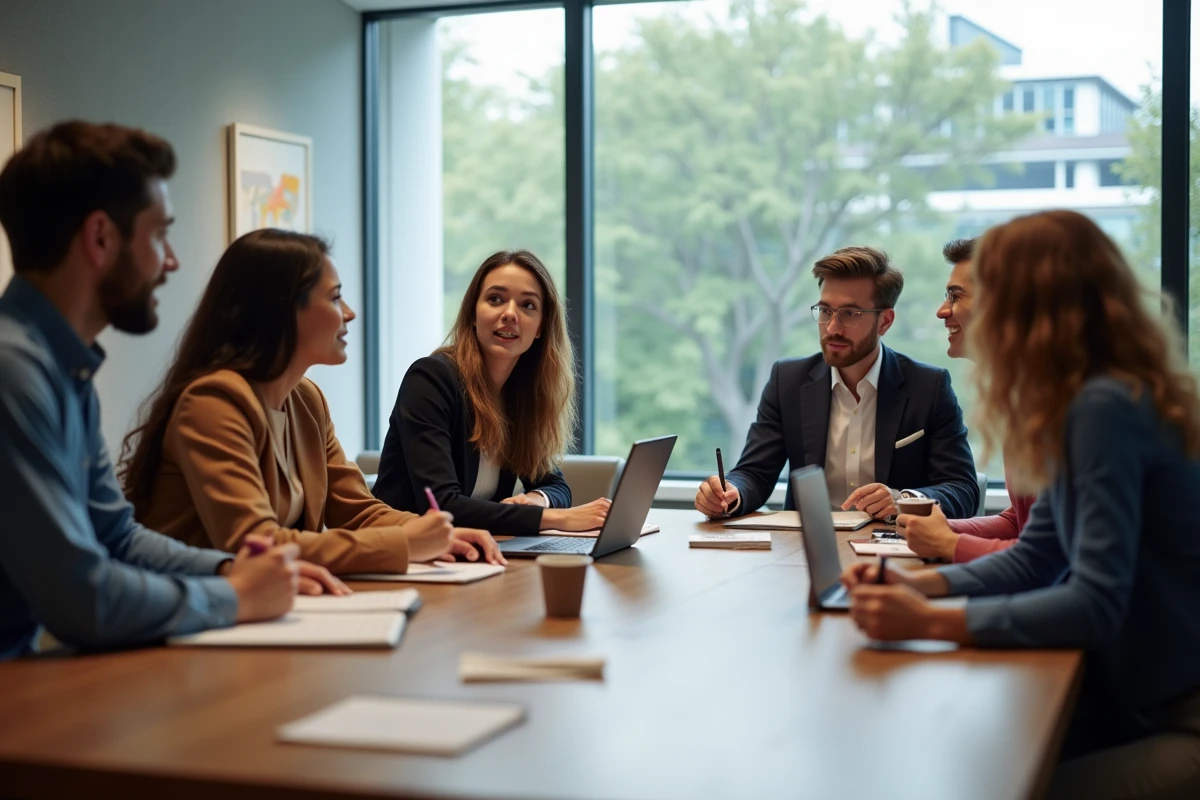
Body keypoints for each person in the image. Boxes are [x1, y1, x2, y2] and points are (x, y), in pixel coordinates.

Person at [842, 210, 1200, 798]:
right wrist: (916, 589)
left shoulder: (1104, 408)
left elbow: (1092, 600)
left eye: (958, 295)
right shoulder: (1083, 400)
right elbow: (1037, 555)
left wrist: (931, 620)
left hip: (1181, 719)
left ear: (1023, 304)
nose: (940, 310)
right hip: (1141, 699)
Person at [0, 121, 341, 659]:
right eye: (160, 235)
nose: (172, 261)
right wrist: (230, 596)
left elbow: (117, 537)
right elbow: (80, 596)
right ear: (101, 239)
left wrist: (233, 568)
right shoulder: (13, 373)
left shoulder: (65, 371)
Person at [121, 229, 503, 573]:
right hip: (196, 617)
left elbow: (357, 510)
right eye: (336, 297)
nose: (350, 313)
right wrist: (406, 542)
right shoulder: (213, 402)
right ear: (282, 310)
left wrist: (436, 533)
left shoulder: (306, 399)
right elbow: (255, 543)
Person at [694, 246, 978, 521]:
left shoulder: (928, 387)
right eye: (826, 311)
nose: (832, 328)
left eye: (850, 314)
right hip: (807, 550)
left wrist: (903, 500)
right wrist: (730, 493)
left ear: (885, 322)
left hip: (891, 550)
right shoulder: (787, 381)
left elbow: (962, 489)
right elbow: (755, 473)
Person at [373, 250, 609, 535]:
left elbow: (555, 486)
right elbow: (442, 506)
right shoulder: (431, 379)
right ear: (473, 313)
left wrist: (536, 500)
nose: (510, 314)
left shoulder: (521, 394)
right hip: (406, 554)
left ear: (540, 329)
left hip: (475, 553)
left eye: (528, 305)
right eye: (495, 299)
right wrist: (556, 519)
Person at [899, 238, 1035, 562]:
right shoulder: (1024, 398)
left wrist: (948, 544)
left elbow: (1055, 556)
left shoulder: (1067, 403)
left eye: (954, 296)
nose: (941, 310)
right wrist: (944, 530)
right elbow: (1020, 522)